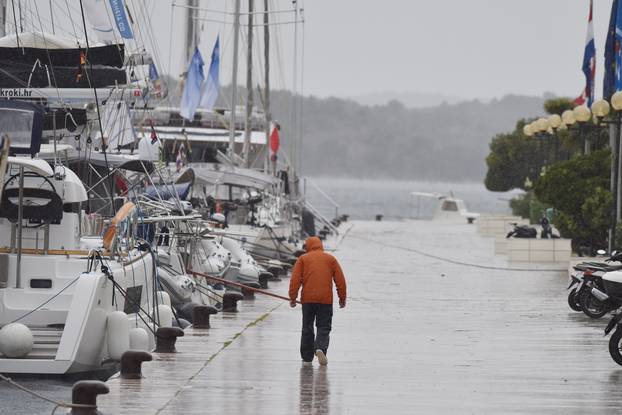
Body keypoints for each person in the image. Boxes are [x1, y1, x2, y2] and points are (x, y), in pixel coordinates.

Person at [289, 236, 347, 366]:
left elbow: (295, 280)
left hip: (308, 300)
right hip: (325, 300)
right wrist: (342, 298)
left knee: (307, 327)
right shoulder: (331, 259)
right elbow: (340, 281)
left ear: (308, 246)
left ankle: (307, 357)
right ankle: (320, 348)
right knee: (323, 327)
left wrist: (293, 297)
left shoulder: (303, 259)